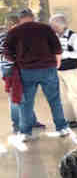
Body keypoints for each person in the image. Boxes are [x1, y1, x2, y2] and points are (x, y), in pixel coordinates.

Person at [2, 8, 69, 141]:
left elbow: (6, 52)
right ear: (32, 17)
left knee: (26, 103)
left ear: (20, 19)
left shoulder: (14, 32)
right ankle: (62, 128)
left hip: (26, 71)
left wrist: (18, 60)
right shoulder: (45, 28)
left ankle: (25, 132)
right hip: (48, 69)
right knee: (54, 100)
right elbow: (57, 48)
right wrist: (57, 63)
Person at [1, 13, 43, 134]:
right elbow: (5, 56)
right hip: (11, 71)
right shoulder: (5, 37)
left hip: (22, 69)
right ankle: (17, 124)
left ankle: (31, 121)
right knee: (15, 98)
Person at [50, 13, 77, 128]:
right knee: (63, 96)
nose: (52, 27)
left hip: (71, 70)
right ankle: (70, 119)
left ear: (61, 24)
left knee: (75, 94)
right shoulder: (54, 36)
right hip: (58, 70)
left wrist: (64, 54)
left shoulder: (73, 36)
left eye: (53, 25)